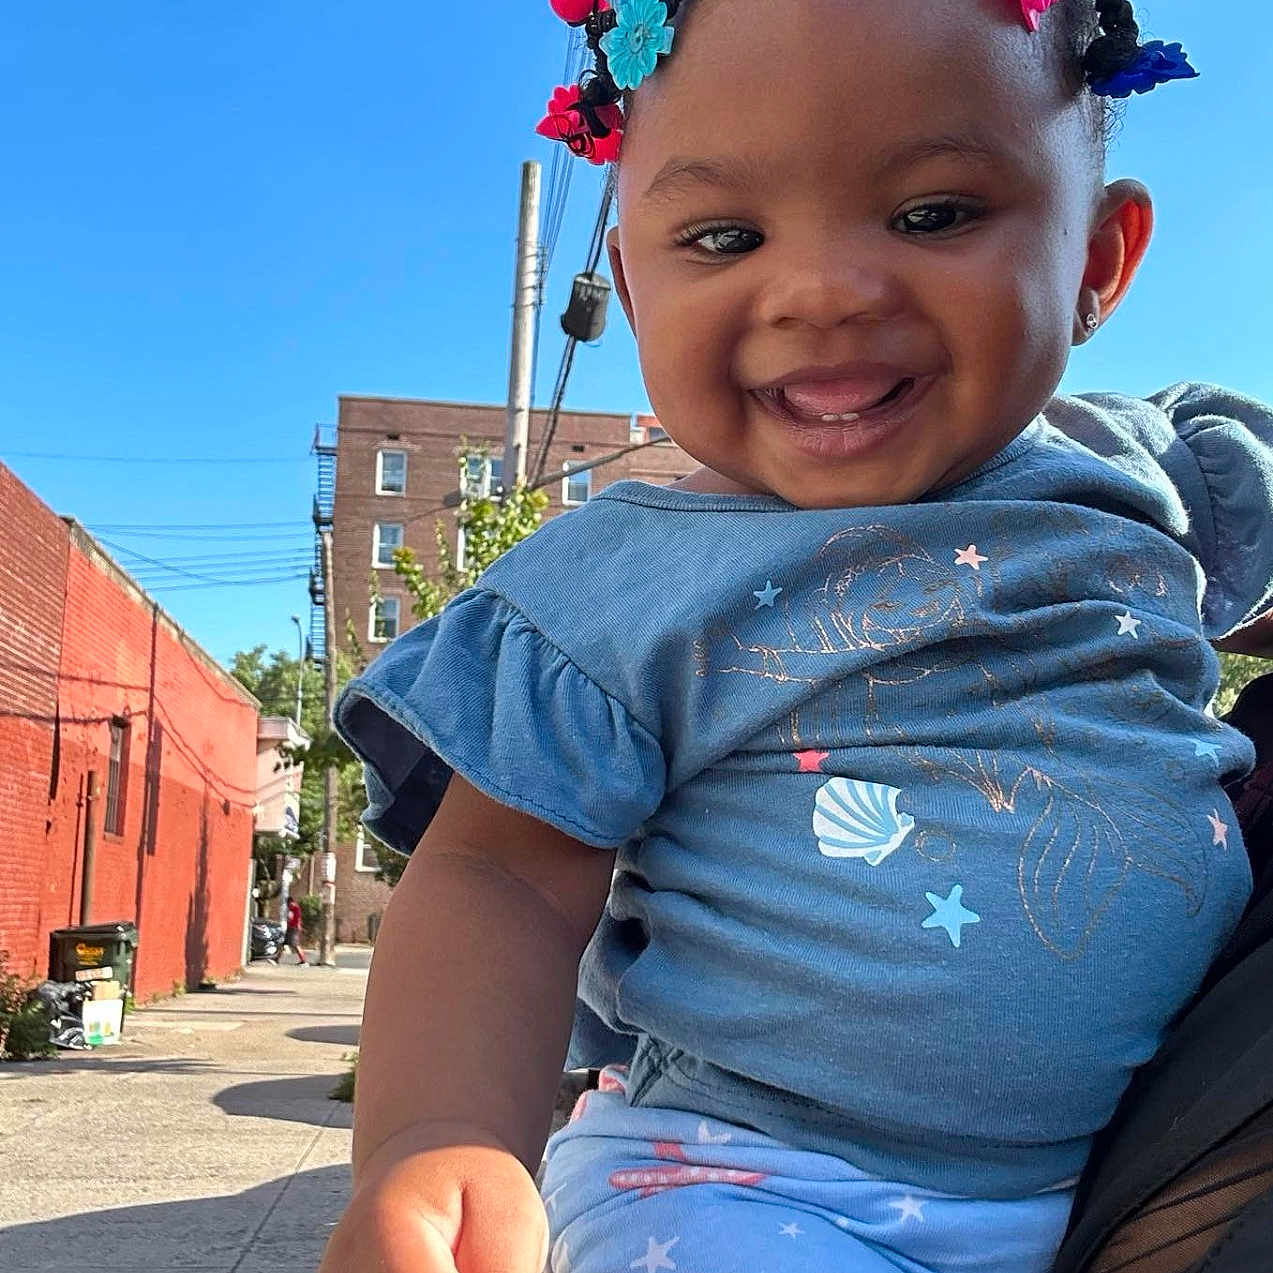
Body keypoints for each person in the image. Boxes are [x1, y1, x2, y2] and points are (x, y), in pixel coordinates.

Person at [319, 2, 1273, 1271]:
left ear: (1097, 260)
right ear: (635, 271)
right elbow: (498, 879)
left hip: (1125, 1169)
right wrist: (439, 1137)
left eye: (933, 213)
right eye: (724, 234)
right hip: (743, 1189)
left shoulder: (1158, 473)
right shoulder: (626, 583)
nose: (821, 290)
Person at [283, 895, 308, 966]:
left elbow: (298, 919)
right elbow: (290, 918)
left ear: (291, 902)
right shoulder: (291, 909)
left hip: (294, 929)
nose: (288, 905)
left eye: (289, 904)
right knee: (283, 943)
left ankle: (304, 961)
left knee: (296, 945)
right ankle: (276, 959)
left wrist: (296, 926)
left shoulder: (296, 908)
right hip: (290, 928)